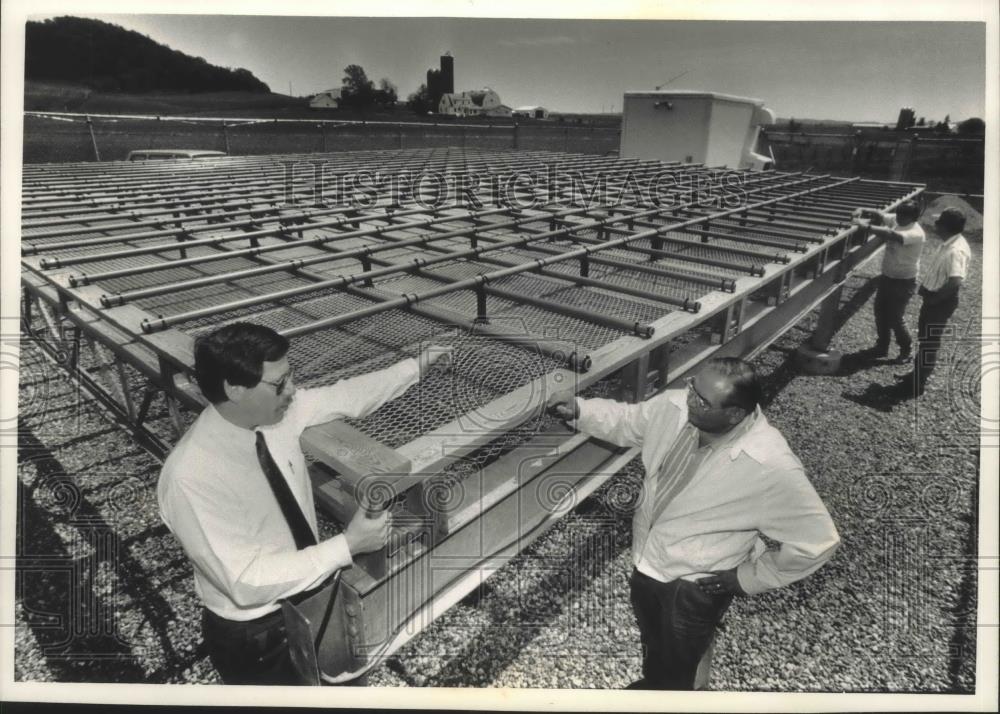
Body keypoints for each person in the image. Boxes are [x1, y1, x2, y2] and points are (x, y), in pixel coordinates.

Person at [157, 321, 452, 685]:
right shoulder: (190, 477)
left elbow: (347, 395)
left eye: (291, 376)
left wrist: (418, 365)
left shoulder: (273, 416)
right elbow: (246, 582)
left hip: (311, 595)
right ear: (234, 389)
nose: (292, 390)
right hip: (259, 634)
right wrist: (349, 544)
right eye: (279, 383)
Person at [549, 358, 840, 690]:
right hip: (647, 559)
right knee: (655, 637)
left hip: (693, 585)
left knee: (679, 656)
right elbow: (629, 421)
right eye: (692, 386)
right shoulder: (677, 407)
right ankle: (662, 680)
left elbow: (818, 540)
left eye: (702, 400)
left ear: (734, 415)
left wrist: (747, 578)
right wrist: (579, 410)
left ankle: (674, 693)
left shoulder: (770, 467)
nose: (688, 398)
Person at [895, 206, 971, 396]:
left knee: (930, 342)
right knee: (926, 340)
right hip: (935, 298)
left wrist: (935, 298)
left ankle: (917, 383)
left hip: (940, 301)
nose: (935, 226)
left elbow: (956, 280)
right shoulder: (950, 243)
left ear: (944, 226)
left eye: (938, 223)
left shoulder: (955, 250)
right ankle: (916, 375)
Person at [851, 200, 925, 363]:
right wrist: (862, 207)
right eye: (897, 214)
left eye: (902, 216)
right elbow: (880, 214)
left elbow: (891, 235)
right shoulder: (898, 219)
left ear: (913, 218)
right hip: (888, 276)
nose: (898, 218)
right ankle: (881, 347)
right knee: (880, 312)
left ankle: (906, 349)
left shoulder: (915, 232)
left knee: (895, 316)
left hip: (903, 281)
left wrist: (865, 226)